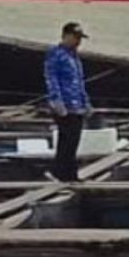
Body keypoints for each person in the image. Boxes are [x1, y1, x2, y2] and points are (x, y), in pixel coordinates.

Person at [44, 21, 92, 181]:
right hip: (64, 104)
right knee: (66, 140)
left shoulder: (75, 57)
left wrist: (86, 102)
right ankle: (60, 172)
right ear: (66, 36)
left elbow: (79, 81)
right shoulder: (56, 54)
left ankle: (70, 174)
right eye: (75, 37)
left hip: (77, 104)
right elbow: (52, 78)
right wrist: (56, 101)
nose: (78, 42)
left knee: (73, 142)